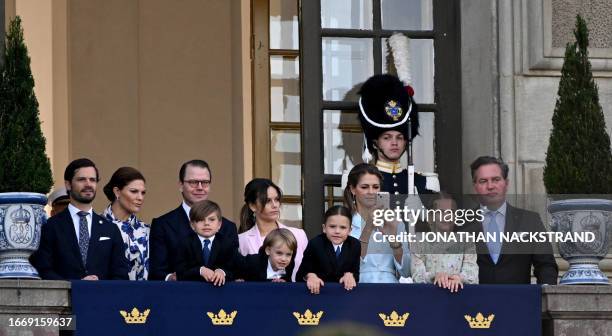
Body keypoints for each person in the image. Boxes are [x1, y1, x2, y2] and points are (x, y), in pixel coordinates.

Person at [31, 158, 128, 280]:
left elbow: (120, 274)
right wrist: (75, 285)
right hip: (65, 298)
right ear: (68, 184)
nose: (88, 184)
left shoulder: (110, 229)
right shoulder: (51, 227)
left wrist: (102, 287)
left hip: (102, 297)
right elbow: (43, 269)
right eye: (82, 179)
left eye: (92, 180)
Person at [468, 156, 558, 284]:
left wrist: (544, 298)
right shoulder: (462, 223)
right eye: (483, 181)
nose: (490, 186)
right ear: (475, 186)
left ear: (506, 183)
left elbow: (546, 266)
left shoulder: (530, 221)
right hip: (473, 303)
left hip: (519, 301)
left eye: (496, 179)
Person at [149, 159, 238, 281]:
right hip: (179, 296)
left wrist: (222, 272)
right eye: (193, 182)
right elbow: (156, 272)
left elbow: (234, 267)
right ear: (181, 185)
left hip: (219, 298)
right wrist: (172, 278)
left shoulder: (228, 227)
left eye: (205, 182)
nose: (200, 187)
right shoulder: (162, 225)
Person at [357, 74, 439, 202]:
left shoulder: (422, 182)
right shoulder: (362, 182)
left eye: (400, 138)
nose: (394, 143)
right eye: (387, 138)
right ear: (374, 143)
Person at [344, 163, 410, 283]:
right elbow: (346, 267)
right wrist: (368, 228)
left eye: (375, 187)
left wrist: (394, 239)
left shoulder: (394, 221)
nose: (371, 192)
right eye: (364, 187)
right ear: (353, 189)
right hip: (357, 287)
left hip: (390, 288)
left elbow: (406, 271)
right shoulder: (344, 223)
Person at [238, 178, 308, 281]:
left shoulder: (298, 235)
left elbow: (309, 270)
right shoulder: (241, 240)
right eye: (267, 201)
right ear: (252, 206)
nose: (275, 205)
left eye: (277, 199)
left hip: (295, 295)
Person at [411, 193, 478, 292]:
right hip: (428, 296)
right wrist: (435, 275)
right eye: (441, 212)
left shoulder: (466, 241)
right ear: (431, 216)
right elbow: (416, 275)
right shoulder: (419, 240)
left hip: (459, 295)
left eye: (451, 212)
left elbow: (472, 274)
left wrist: (459, 278)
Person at [297, 205, 360, 294]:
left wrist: (350, 275)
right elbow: (300, 274)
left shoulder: (355, 245)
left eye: (343, 227)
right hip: (318, 294)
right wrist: (310, 276)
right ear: (324, 228)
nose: (337, 231)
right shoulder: (315, 244)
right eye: (332, 226)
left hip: (344, 295)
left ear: (350, 230)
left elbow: (356, 274)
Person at [102, 167, 149, 281]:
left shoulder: (147, 231)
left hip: (144, 296)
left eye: (143, 193)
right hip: (107, 294)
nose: (140, 198)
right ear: (117, 192)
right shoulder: (95, 226)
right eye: (134, 191)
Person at [176, 200, 238, 285]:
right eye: (201, 220)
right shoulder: (185, 243)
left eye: (211, 220)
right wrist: (200, 270)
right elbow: (180, 271)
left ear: (219, 225)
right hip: (192, 291)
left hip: (219, 291)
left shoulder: (227, 243)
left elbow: (235, 268)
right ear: (192, 225)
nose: (206, 223)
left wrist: (222, 272)